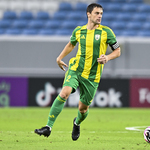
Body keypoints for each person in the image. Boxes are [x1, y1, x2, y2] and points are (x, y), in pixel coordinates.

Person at [34, 3, 121, 141]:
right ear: (88, 14)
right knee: (64, 93)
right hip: (76, 69)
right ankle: (48, 127)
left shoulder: (106, 32)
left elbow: (118, 51)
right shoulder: (79, 31)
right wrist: (59, 58)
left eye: (101, 14)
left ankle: (77, 123)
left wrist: (107, 57)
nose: (100, 16)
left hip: (92, 76)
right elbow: (71, 44)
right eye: (97, 13)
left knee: (83, 109)